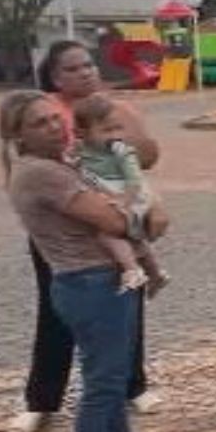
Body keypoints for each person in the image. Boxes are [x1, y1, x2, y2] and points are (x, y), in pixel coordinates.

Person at [0, 91, 175, 432]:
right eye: (39, 123)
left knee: (109, 374)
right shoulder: (43, 173)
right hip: (90, 283)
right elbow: (111, 219)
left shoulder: (55, 164)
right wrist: (145, 216)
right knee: (102, 385)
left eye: (54, 118)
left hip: (95, 280)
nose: (53, 127)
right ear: (18, 135)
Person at [15, 40, 161, 432]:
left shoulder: (114, 109)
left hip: (114, 217)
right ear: (55, 76)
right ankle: (41, 399)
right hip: (63, 231)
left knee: (128, 301)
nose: (85, 73)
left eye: (89, 65)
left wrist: (127, 137)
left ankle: (133, 385)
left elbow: (145, 158)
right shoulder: (45, 112)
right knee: (55, 311)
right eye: (73, 68)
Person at [69, 94, 167, 295]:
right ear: (83, 133)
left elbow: (134, 179)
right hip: (110, 193)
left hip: (132, 197)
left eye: (118, 128)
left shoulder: (122, 152)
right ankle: (155, 273)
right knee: (133, 239)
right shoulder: (84, 150)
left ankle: (132, 270)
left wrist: (125, 202)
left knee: (108, 234)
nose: (115, 135)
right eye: (106, 130)